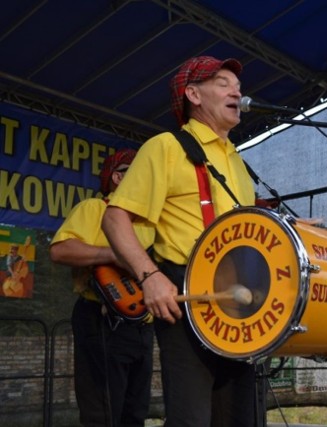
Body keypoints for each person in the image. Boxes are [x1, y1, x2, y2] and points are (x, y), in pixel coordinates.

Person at [101, 56, 258, 427]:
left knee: (239, 417)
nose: (236, 90)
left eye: (237, 84)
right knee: (191, 418)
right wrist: (150, 276)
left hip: (240, 299)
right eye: (222, 82)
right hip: (187, 294)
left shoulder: (237, 159)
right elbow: (114, 217)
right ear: (193, 94)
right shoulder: (166, 146)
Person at [50, 148, 155, 427]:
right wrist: (113, 254)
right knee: (102, 413)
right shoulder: (94, 209)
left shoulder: (151, 223)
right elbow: (60, 251)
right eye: (133, 172)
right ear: (118, 178)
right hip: (101, 319)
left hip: (143, 326)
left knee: (135, 413)